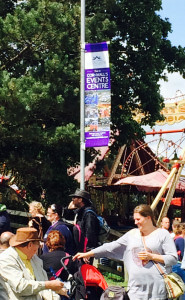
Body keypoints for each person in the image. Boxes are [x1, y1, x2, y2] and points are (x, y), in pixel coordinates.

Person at [73, 204, 177, 300]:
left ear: (148, 217)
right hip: (135, 291)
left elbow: (173, 258)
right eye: (134, 219)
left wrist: (152, 256)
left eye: (138, 219)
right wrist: (89, 253)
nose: (135, 222)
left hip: (157, 291)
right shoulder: (132, 234)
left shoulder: (163, 234)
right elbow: (111, 247)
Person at [0, 227, 68, 299]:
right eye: (38, 244)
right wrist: (48, 285)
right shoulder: (5, 259)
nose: (39, 247)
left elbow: (42, 284)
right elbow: (21, 287)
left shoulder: (35, 259)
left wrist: (55, 293)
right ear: (30, 245)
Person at [68, 188, 100, 252]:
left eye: (74, 197)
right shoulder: (81, 212)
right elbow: (68, 210)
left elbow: (90, 232)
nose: (72, 199)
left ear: (80, 199)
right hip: (81, 249)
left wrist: (88, 250)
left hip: (85, 251)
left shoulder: (89, 214)